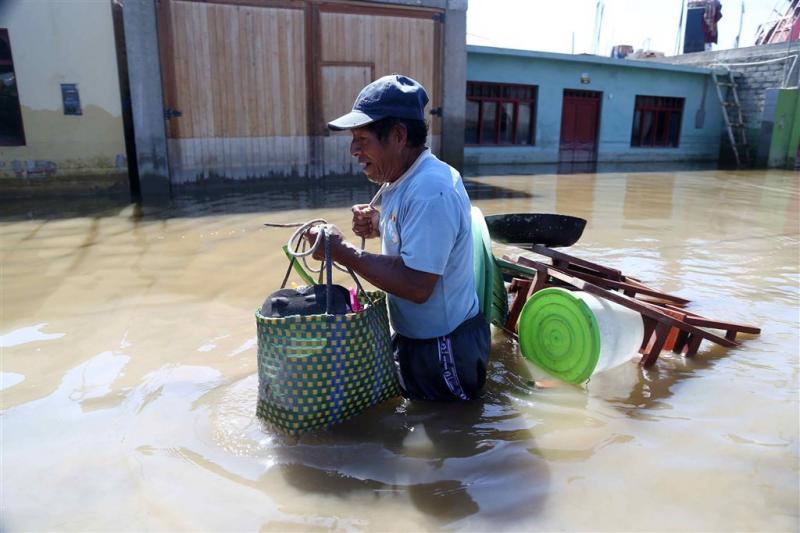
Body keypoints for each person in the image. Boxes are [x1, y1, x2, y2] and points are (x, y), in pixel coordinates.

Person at [305, 74, 490, 402]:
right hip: (414, 334)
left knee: (452, 436)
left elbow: (418, 285)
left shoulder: (431, 189)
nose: (353, 150)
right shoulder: (400, 179)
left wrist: (343, 251)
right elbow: (414, 234)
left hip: (444, 344)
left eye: (362, 139)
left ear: (398, 135)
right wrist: (377, 223)